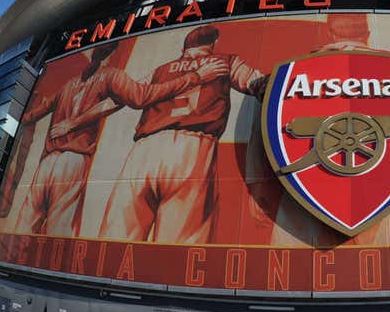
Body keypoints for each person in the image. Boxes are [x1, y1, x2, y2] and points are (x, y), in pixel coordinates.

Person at [263, 13, 390, 246]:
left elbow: (266, 124)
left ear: (329, 33)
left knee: (297, 272)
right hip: (389, 193)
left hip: (304, 195)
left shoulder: (294, 70)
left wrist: (259, 186)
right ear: (368, 34)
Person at [15, 41, 227, 236]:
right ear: (114, 53)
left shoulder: (68, 85)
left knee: (23, 227)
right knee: (58, 232)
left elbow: (33, 115)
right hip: (73, 159)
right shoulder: (112, 76)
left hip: (47, 162)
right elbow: (140, 97)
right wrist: (195, 77)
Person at [92, 24, 268, 243]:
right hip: (191, 148)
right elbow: (257, 82)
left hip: (144, 149)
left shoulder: (161, 70)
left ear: (185, 47)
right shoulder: (224, 61)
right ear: (213, 43)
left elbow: (118, 99)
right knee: (179, 243)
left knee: (116, 236)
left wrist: (74, 122)